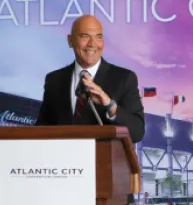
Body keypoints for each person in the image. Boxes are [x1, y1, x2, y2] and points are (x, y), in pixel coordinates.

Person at [36, 14, 145, 203]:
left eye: (99, 37)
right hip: (62, 187)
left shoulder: (124, 78)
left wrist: (109, 104)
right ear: (70, 41)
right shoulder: (54, 80)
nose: (92, 44)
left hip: (109, 189)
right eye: (85, 36)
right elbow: (42, 130)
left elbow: (137, 131)